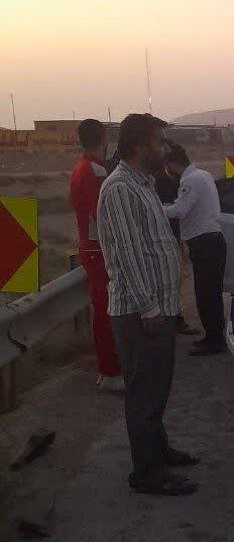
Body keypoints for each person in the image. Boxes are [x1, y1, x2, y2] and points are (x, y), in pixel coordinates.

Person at [97, 114, 198, 496]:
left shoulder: (144, 184)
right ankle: (147, 472)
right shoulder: (120, 188)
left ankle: (159, 450)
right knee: (144, 393)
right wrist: (149, 308)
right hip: (140, 311)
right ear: (139, 147)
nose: (165, 149)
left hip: (158, 307)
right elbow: (128, 255)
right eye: (160, 143)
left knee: (158, 387)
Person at [69, 119, 124, 392]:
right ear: (104, 138)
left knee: (104, 309)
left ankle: (109, 368)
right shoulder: (95, 169)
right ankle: (110, 371)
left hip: (90, 246)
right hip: (98, 248)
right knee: (106, 311)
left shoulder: (81, 167)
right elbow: (102, 213)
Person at [162, 142, 227, 356]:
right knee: (212, 294)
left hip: (205, 244)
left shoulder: (190, 181)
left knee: (206, 295)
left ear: (172, 164)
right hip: (212, 242)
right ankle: (215, 337)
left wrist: (158, 209)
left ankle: (214, 341)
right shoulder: (203, 175)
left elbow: (181, 210)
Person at [156, 163, 200, 337]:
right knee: (171, 281)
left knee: (170, 281)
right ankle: (172, 319)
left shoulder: (150, 179)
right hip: (167, 236)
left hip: (168, 235)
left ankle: (170, 319)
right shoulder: (164, 179)